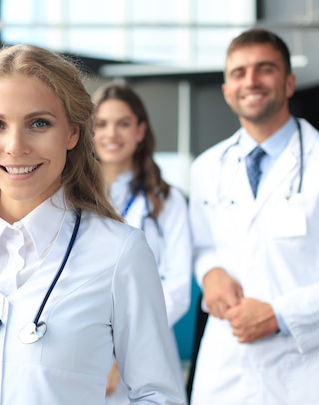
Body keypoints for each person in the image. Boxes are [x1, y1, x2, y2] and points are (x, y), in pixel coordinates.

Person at [0, 44, 186, 404]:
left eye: (38, 123)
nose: (15, 146)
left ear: (72, 133)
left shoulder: (120, 252)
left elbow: (157, 394)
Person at [189, 28, 319, 404]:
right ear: (228, 90)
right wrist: (210, 274)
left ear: (290, 82)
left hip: (305, 366)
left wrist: (281, 315)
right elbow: (203, 247)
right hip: (227, 367)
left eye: (265, 69)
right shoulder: (207, 167)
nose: (251, 80)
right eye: (239, 72)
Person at [92, 83, 191, 404]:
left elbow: (177, 289)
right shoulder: (71, 200)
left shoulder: (167, 200)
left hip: (148, 344)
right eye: (101, 124)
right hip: (86, 343)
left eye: (123, 123)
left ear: (140, 131)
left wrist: (122, 353)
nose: (112, 134)